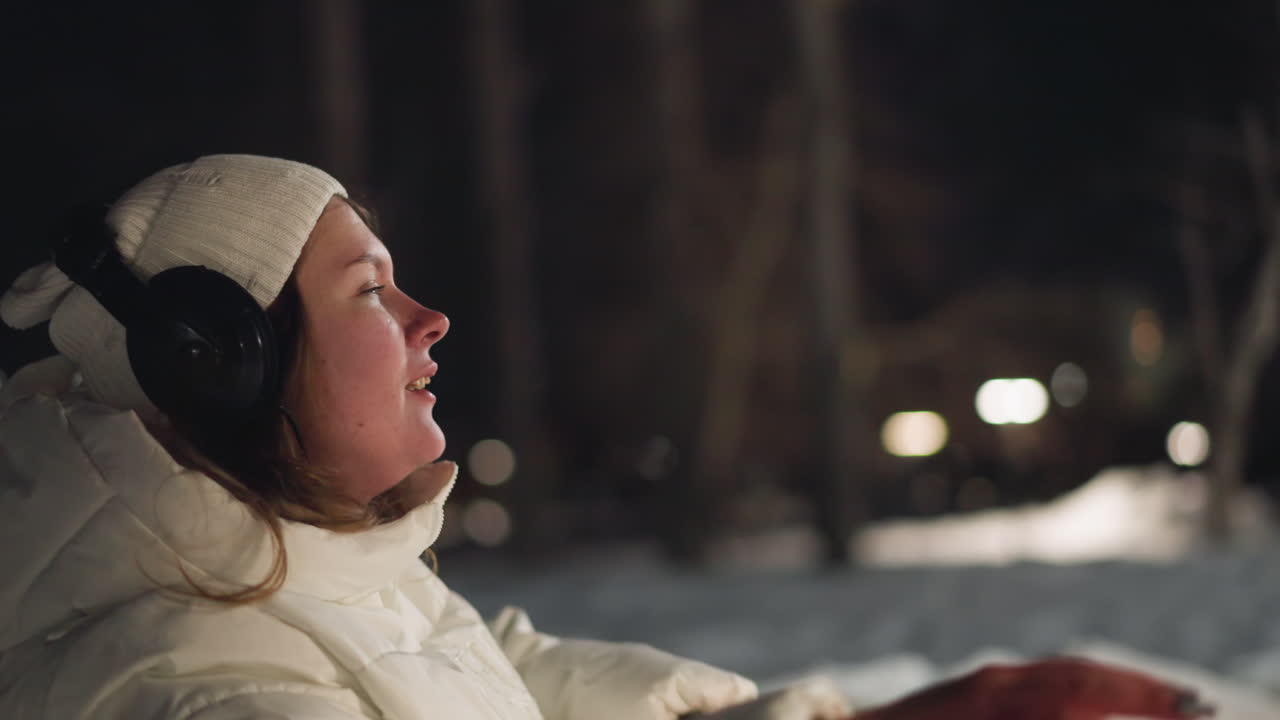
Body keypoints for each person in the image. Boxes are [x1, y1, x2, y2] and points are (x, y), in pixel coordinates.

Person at [0, 154, 1210, 720]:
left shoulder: (310, 580)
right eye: (370, 293)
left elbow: (510, 683)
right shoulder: (192, 685)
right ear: (225, 364)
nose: (431, 322)